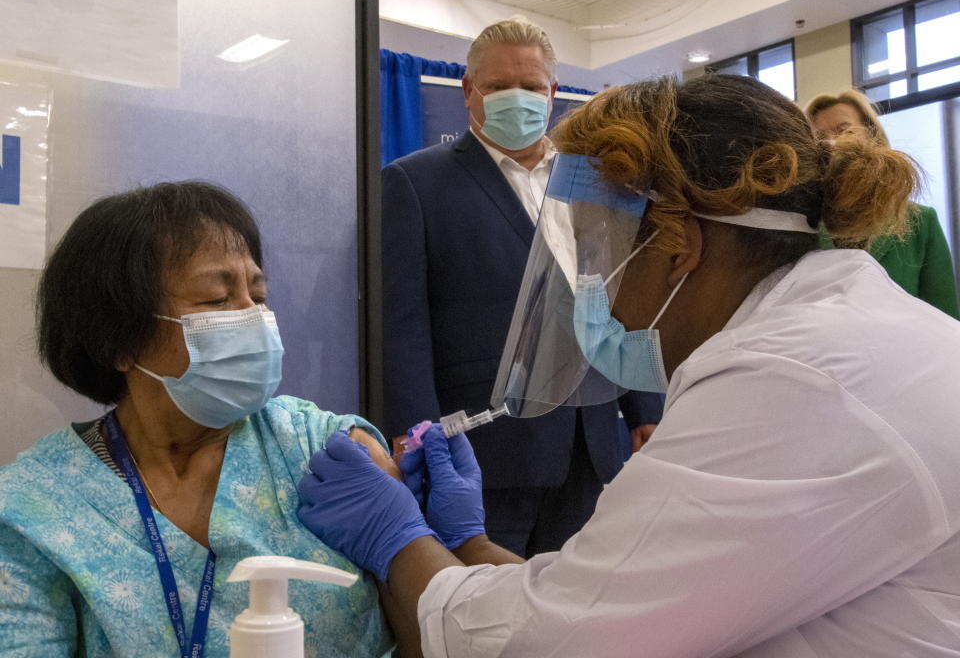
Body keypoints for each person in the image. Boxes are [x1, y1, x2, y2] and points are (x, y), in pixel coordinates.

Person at [299, 74, 960, 656]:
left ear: (680, 248)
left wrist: (395, 539)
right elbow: (607, 600)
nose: (593, 288)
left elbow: (550, 644)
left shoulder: (790, 380)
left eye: (596, 253)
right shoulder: (834, 328)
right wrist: (466, 540)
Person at [0, 182, 413, 656]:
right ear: (119, 340)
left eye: (258, 296)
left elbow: (432, 628)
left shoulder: (328, 451)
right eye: (217, 301)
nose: (254, 318)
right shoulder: (36, 510)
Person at [381, 18, 663, 559]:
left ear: (553, 93)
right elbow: (402, 328)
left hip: (591, 439)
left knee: (572, 613)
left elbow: (620, 294)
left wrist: (646, 404)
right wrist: (415, 434)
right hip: (484, 449)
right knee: (481, 616)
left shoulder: (594, 182)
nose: (519, 98)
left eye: (532, 86)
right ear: (469, 93)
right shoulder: (414, 183)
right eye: (498, 86)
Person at [805, 89, 959, 318]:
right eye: (819, 137)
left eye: (844, 130)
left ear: (872, 137)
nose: (832, 143)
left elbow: (945, 317)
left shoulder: (920, 221)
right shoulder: (803, 222)